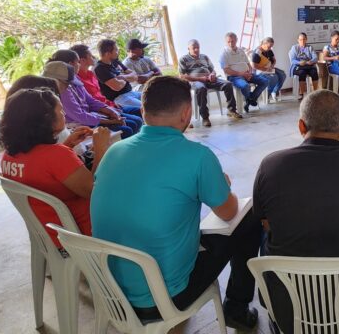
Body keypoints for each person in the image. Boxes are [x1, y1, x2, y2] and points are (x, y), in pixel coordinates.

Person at [90, 76, 261, 329]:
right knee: (249, 218)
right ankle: (236, 308)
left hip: (109, 289)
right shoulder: (197, 156)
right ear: (186, 113)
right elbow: (228, 212)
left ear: (142, 111)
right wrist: (222, 186)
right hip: (162, 298)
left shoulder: (114, 151)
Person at [253, 90, 339, 333]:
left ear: (301, 125)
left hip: (287, 304)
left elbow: (267, 224)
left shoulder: (271, 165)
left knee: (262, 229)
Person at [0, 87, 111, 249]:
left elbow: (44, 171)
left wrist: (68, 145)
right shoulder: (56, 156)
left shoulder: (9, 155)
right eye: (61, 111)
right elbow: (93, 191)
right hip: (79, 232)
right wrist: (101, 149)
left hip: (47, 228)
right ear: (45, 119)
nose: (64, 115)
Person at [45, 51, 143, 138]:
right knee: (128, 128)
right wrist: (110, 121)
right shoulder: (62, 88)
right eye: (78, 62)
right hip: (79, 124)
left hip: (91, 116)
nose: (79, 65)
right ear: (71, 64)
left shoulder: (74, 78)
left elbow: (90, 100)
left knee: (135, 121)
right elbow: (80, 116)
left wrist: (109, 110)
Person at [179, 39, 242, 124]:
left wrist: (212, 75)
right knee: (201, 88)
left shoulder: (204, 57)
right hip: (196, 81)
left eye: (198, 47)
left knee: (228, 84)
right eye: (194, 48)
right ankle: (205, 118)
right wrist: (201, 79)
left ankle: (232, 110)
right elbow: (182, 76)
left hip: (210, 79)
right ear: (188, 49)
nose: (196, 50)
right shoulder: (183, 59)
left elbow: (212, 70)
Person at [220, 32, 269, 112]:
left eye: (233, 41)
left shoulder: (241, 51)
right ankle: (250, 100)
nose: (231, 43)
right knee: (245, 86)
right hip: (234, 77)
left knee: (265, 81)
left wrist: (249, 73)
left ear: (236, 40)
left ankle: (250, 99)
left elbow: (248, 64)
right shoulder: (224, 54)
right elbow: (226, 70)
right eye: (229, 41)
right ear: (226, 42)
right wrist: (242, 74)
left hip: (247, 74)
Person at [94, 39, 142, 110]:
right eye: (116, 50)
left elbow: (135, 76)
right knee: (147, 107)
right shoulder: (100, 68)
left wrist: (122, 77)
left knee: (154, 98)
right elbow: (117, 86)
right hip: (119, 98)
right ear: (108, 53)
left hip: (131, 92)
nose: (118, 52)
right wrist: (127, 77)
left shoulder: (115, 61)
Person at [252, 37, 286, 102]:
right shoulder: (257, 52)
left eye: (271, 47)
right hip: (259, 71)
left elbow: (274, 60)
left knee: (282, 74)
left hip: (269, 68)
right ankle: (267, 94)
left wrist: (272, 66)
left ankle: (274, 92)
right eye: (269, 47)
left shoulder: (269, 50)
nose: (270, 48)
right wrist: (265, 69)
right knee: (274, 78)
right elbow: (254, 66)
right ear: (264, 44)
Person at [288, 32, 319, 100]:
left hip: (308, 65)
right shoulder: (294, 48)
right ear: (298, 40)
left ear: (306, 39)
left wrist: (311, 61)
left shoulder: (310, 47)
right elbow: (292, 60)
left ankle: (315, 92)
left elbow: (315, 57)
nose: (302, 41)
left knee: (314, 72)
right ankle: (301, 93)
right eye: (300, 39)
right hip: (298, 66)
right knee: (302, 73)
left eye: (304, 39)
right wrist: (299, 62)